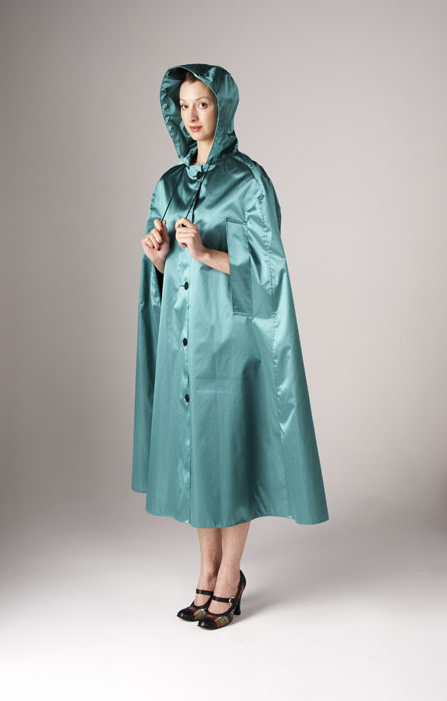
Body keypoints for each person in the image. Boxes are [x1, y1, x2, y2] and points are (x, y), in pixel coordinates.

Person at [132, 63, 329, 629]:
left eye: (203, 103)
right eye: (184, 106)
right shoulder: (168, 185)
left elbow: (270, 273)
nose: (192, 116)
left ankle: (229, 576)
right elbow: (167, 278)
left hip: (229, 341)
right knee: (196, 455)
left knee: (228, 456)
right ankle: (207, 570)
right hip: (182, 343)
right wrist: (159, 258)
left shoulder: (248, 181)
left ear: (223, 107)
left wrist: (206, 253)